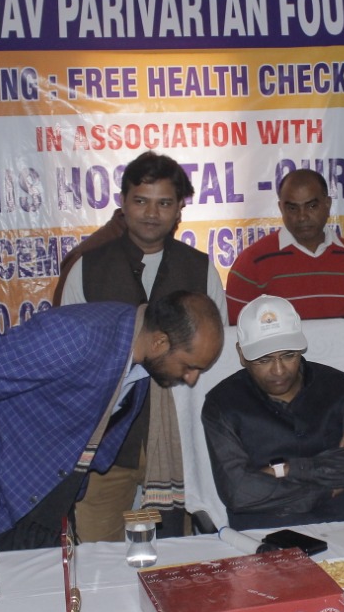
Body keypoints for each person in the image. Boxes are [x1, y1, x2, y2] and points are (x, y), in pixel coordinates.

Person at [0, 291, 223, 551]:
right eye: (189, 366)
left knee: (51, 591)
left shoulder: (139, 355)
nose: (191, 379)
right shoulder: (77, 336)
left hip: (45, 492)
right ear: (159, 342)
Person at [54, 151, 226, 542]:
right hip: (104, 443)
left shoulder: (200, 270)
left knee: (180, 554)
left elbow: (212, 358)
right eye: (141, 201)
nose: (151, 213)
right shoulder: (87, 268)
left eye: (164, 203)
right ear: (123, 202)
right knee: (99, 552)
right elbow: (69, 362)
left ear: (179, 209)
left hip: (180, 441)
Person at [202, 296, 344, 530]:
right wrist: (330, 484)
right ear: (242, 354)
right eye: (264, 360)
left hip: (340, 527)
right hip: (263, 534)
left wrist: (286, 469)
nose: (278, 370)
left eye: (288, 355)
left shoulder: (335, 385)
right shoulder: (222, 404)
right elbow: (239, 492)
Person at [225, 168, 344, 325]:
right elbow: (237, 329)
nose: (302, 216)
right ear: (281, 208)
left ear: (327, 204)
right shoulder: (252, 263)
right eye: (292, 208)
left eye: (311, 206)